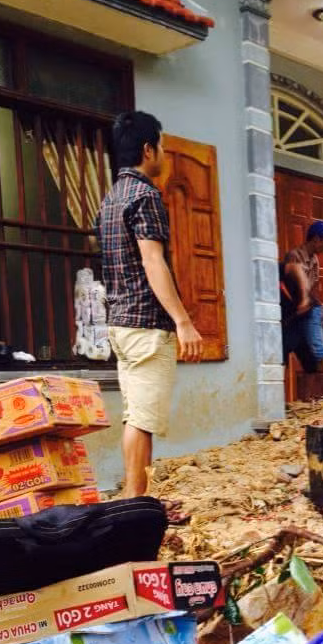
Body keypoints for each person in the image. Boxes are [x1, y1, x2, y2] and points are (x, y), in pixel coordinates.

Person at [97, 110, 203, 498]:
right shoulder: (144, 195)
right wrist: (183, 320)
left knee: (135, 416)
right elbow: (152, 261)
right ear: (148, 149)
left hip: (121, 324)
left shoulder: (111, 199)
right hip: (144, 326)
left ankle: (136, 498)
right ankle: (133, 503)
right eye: (161, 147)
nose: (164, 154)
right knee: (141, 420)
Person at [281, 220, 323, 407]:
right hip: (295, 312)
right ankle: (281, 399)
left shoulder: (315, 260)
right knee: (283, 349)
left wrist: (319, 307)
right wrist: (302, 301)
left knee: (318, 347)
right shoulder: (294, 256)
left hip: (310, 310)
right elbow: (297, 283)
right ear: (316, 239)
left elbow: (313, 288)